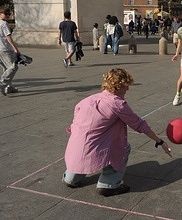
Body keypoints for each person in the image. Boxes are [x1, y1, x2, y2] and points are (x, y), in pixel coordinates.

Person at [62, 68, 172, 197]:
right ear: (119, 86)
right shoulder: (117, 104)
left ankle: (70, 178)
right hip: (93, 147)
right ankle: (108, 184)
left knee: (84, 149)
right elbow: (139, 125)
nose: (128, 89)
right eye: (126, 85)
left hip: (75, 146)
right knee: (122, 148)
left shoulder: (87, 100)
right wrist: (160, 141)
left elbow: (75, 123)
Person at [0, 7, 21, 95]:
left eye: (9, 14)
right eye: (6, 14)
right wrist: (15, 49)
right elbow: (8, 37)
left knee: (6, 68)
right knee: (13, 67)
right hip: (5, 49)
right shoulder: (4, 24)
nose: (8, 16)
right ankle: (2, 83)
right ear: (0, 13)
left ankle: (9, 87)